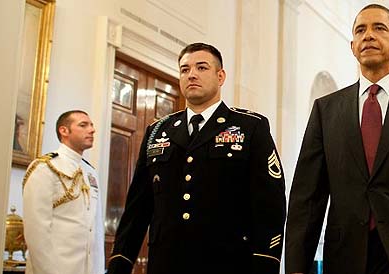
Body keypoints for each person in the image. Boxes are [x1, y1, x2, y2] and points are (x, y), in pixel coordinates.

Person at [285, 4, 389, 274]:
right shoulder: (326, 110)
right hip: (346, 256)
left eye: (379, 28)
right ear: (352, 46)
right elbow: (307, 197)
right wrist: (296, 267)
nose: (369, 35)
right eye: (360, 30)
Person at [107, 42, 286, 274]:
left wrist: (266, 263)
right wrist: (121, 262)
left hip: (228, 263)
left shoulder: (250, 127)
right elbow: (138, 207)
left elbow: (270, 204)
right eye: (184, 69)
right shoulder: (158, 131)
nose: (191, 74)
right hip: (166, 264)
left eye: (201, 68)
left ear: (220, 76)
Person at [23, 110, 105, 274]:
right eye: (83, 125)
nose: (92, 130)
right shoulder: (45, 168)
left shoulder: (90, 172)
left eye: (91, 125)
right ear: (64, 131)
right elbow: (37, 234)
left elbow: (95, 231)